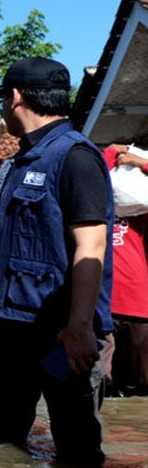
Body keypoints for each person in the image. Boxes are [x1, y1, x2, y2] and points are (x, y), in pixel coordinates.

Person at [0, 57, 113, 464]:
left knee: (76, 451)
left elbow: (92, 247)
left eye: (3, 98)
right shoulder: (20, 162)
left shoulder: (76, 157)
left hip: (63, 335)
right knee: (0, 448)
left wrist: (80, 327)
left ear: (16, 97)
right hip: (13, 330)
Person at [101, 144, 148, 395]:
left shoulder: (142, 212)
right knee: (101, 383)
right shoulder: (97, 207)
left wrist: (138, 161)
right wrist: (112, 151)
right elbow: (95, 172)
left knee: (140, 384)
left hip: (136, 304)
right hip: (102, 302)